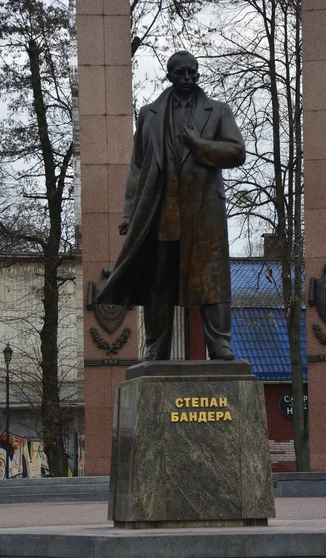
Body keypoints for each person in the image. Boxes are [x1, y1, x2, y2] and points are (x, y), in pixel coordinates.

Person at [96, 51, 246, 361]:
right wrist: (129, 211)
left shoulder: (218, 112)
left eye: (193, 73)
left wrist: (200, 146)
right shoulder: (149, 114)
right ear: (169, 76)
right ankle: (156, 346)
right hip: (161, 211)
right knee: (159, 281)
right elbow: (137, 166)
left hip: (204, 212)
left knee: (211, 280)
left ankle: (219, 344)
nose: (188, 79)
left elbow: (236, 152)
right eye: (181, 73)